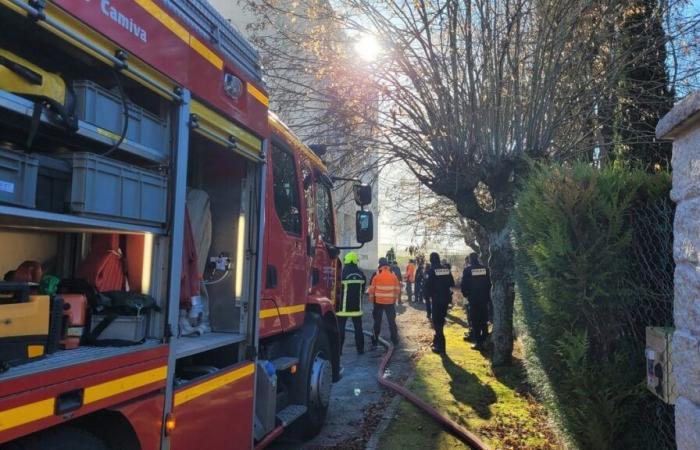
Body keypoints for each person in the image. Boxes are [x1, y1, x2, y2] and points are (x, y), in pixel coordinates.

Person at [424, 253, 455, 353]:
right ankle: (437, 341)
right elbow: (452, 283)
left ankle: (441, 346)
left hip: (437, 299)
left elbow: (427, 286)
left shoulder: (432, 271)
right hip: (445, 299)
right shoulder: (446, 269)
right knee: (440, 320)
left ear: (431, 260)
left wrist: (428, 296)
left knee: (437, 322)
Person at [337, 252, 367, 355]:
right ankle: (360, 350)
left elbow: (337, 289)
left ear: (346, 261)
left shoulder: (341, 273)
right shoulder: (361, 274)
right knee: (358, 329)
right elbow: (363, 290)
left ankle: (339, 350)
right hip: (356, 309)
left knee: (340, 329)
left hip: (343, 309)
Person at [461, 252, 491, 350]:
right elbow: (489, 284)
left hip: (473, 299)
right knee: (484, 319)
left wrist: (466, 295)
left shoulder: (467, 270)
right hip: (484, 299)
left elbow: (463, 285)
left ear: (470, 259)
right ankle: (485, 340)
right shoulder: (485, 269)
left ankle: (478, 343)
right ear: (477, 258)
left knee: (475, 320)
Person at [368, 257, 400, 346]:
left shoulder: (376, 274)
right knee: (392, 322)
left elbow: (371, 289)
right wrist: (394, 300)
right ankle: (395, 340)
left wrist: (372, 300)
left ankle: (374, 340)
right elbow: (397, 289)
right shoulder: (393, 274)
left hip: (378, 302)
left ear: (379, 264)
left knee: (377, 322)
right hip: (390, 303)